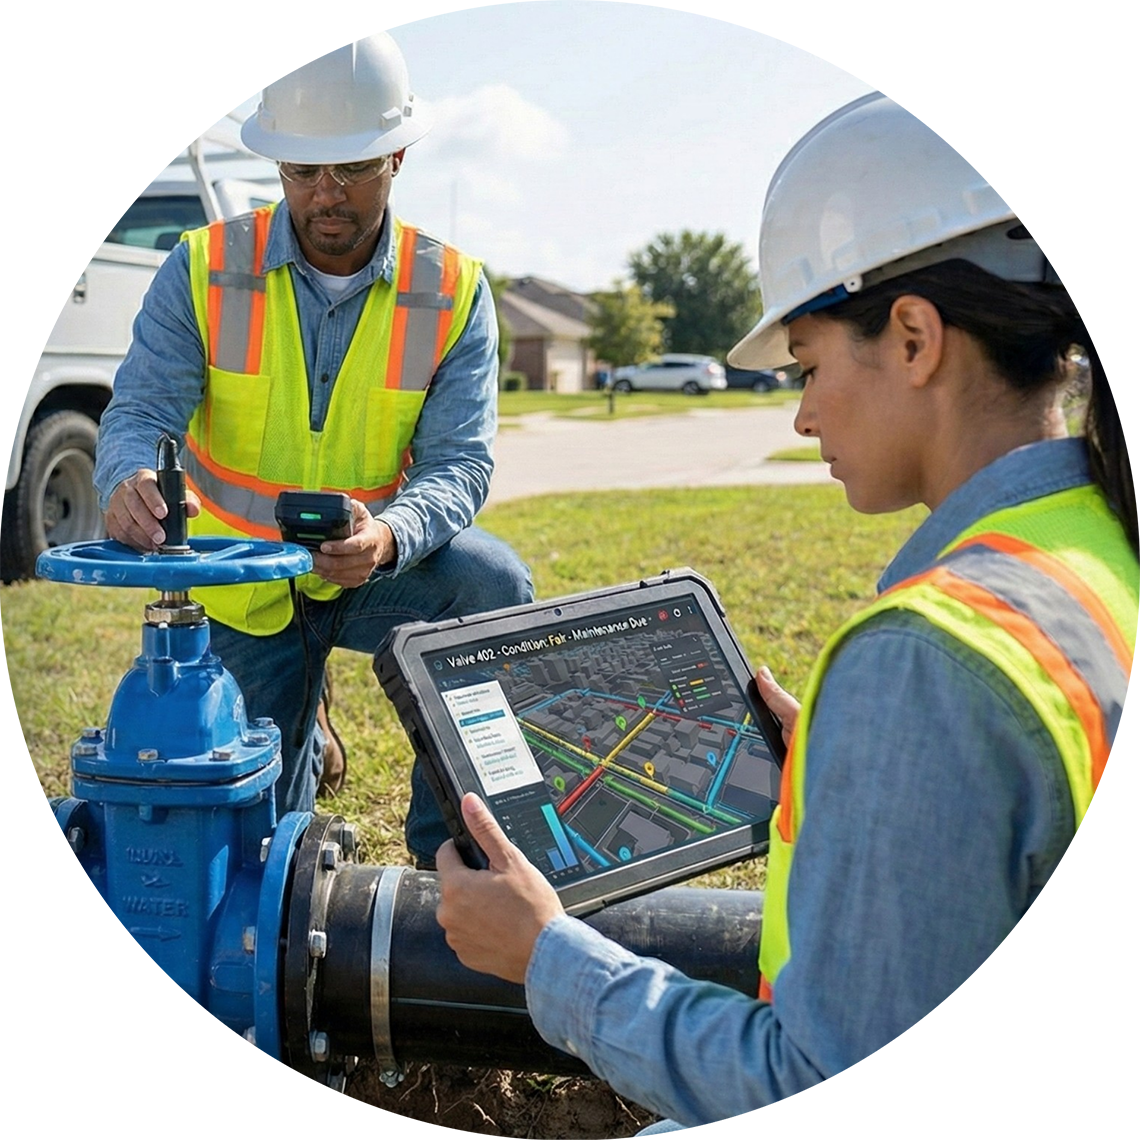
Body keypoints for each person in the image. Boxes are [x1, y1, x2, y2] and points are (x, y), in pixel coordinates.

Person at [434, 16, 1140, 1139]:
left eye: (809, 365)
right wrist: (872, 772)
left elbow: (826, 1103)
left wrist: (545, 958)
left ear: (913, 338)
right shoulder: (1105, 548)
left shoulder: (933, 657)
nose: (803, 412)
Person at [93, 24, 532, 867]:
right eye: (303, 170)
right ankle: (307, 719)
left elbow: (460, 464)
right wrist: (129, 476)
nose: (327, 193)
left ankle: (448, 862)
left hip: (373, 574)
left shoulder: (453, 291)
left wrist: (391, 535)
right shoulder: (203, 266)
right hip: (242, 586)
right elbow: (141, 410)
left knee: (495, 586)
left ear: (397, 157)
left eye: (353, 168)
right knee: (265, 853)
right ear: (278, 167)